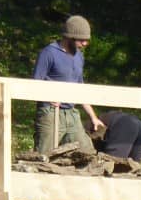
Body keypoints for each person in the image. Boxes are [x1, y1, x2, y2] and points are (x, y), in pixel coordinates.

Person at [32, 14, 104, 154]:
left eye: (87, 40)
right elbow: (35, 84)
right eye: (81, 40)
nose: (85, 44)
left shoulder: (79, 57)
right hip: (50, 113)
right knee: (43, 155)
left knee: (87, 153)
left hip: (71, 114)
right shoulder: (49, 53)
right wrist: (49, 97)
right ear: (69, 37)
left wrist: (93, 117)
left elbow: (79, 89)